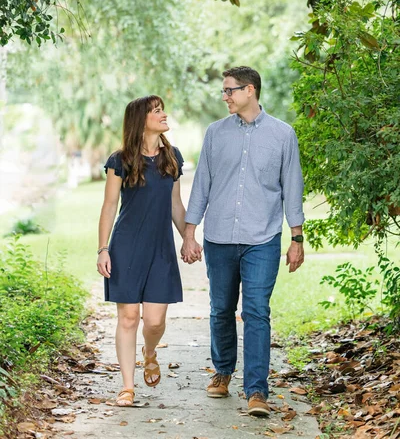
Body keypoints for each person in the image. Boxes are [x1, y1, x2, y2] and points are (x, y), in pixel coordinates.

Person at [181, 66, 305, 417]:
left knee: (255, 312)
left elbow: (292, 189)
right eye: (224, 91)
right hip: (219, 237)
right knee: (221, 309)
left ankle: (256, 391)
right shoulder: (215, 133)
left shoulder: (283, 135)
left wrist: (296, 238)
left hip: (262, 238)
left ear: (250, 90)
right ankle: (222, 372)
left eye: (230, 90)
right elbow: (201, 184)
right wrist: (190, 232)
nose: (225, 97)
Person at [97, 95, 186, 407]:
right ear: (141, 120)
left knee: (154, 322)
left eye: (162, 110)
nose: (163, 115)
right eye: (156, 111)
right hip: (126, 247)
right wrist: (103, 249)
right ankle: (127, 386)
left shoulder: (172, 157)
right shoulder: (120, 160)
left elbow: (176, 205)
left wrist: (188, 236)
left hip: (161, 249)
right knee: (129, 317)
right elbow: (109, 206)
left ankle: (150, 352)